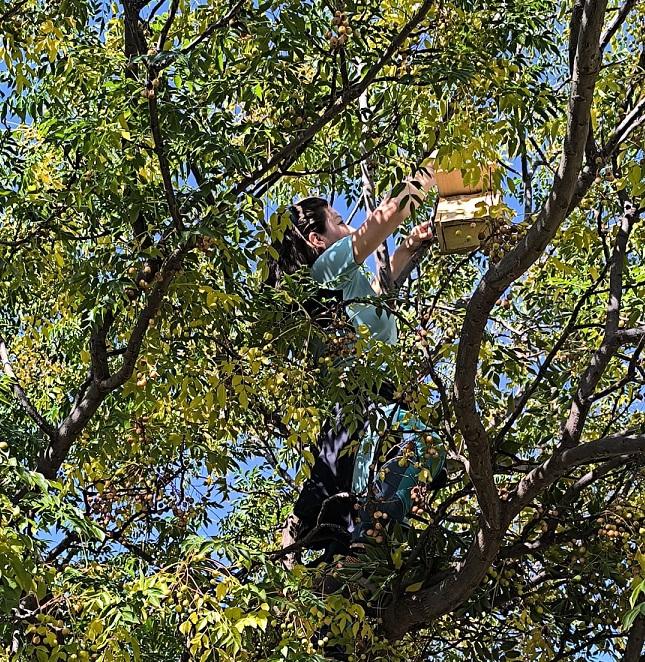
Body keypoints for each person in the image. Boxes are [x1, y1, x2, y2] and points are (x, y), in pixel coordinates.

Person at [267, 162, 446, 566]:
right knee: (416, 450)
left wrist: (406, 250)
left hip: (377, 396)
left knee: (410, 457)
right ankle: (352, 546)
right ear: (317, 239)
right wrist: (425, 178)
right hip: (361, 398)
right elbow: (381, 220)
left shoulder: (346, 282)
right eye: (334, 219)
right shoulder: (323, 268)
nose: (345, 221)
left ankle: (354, 548)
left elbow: (377, 304)